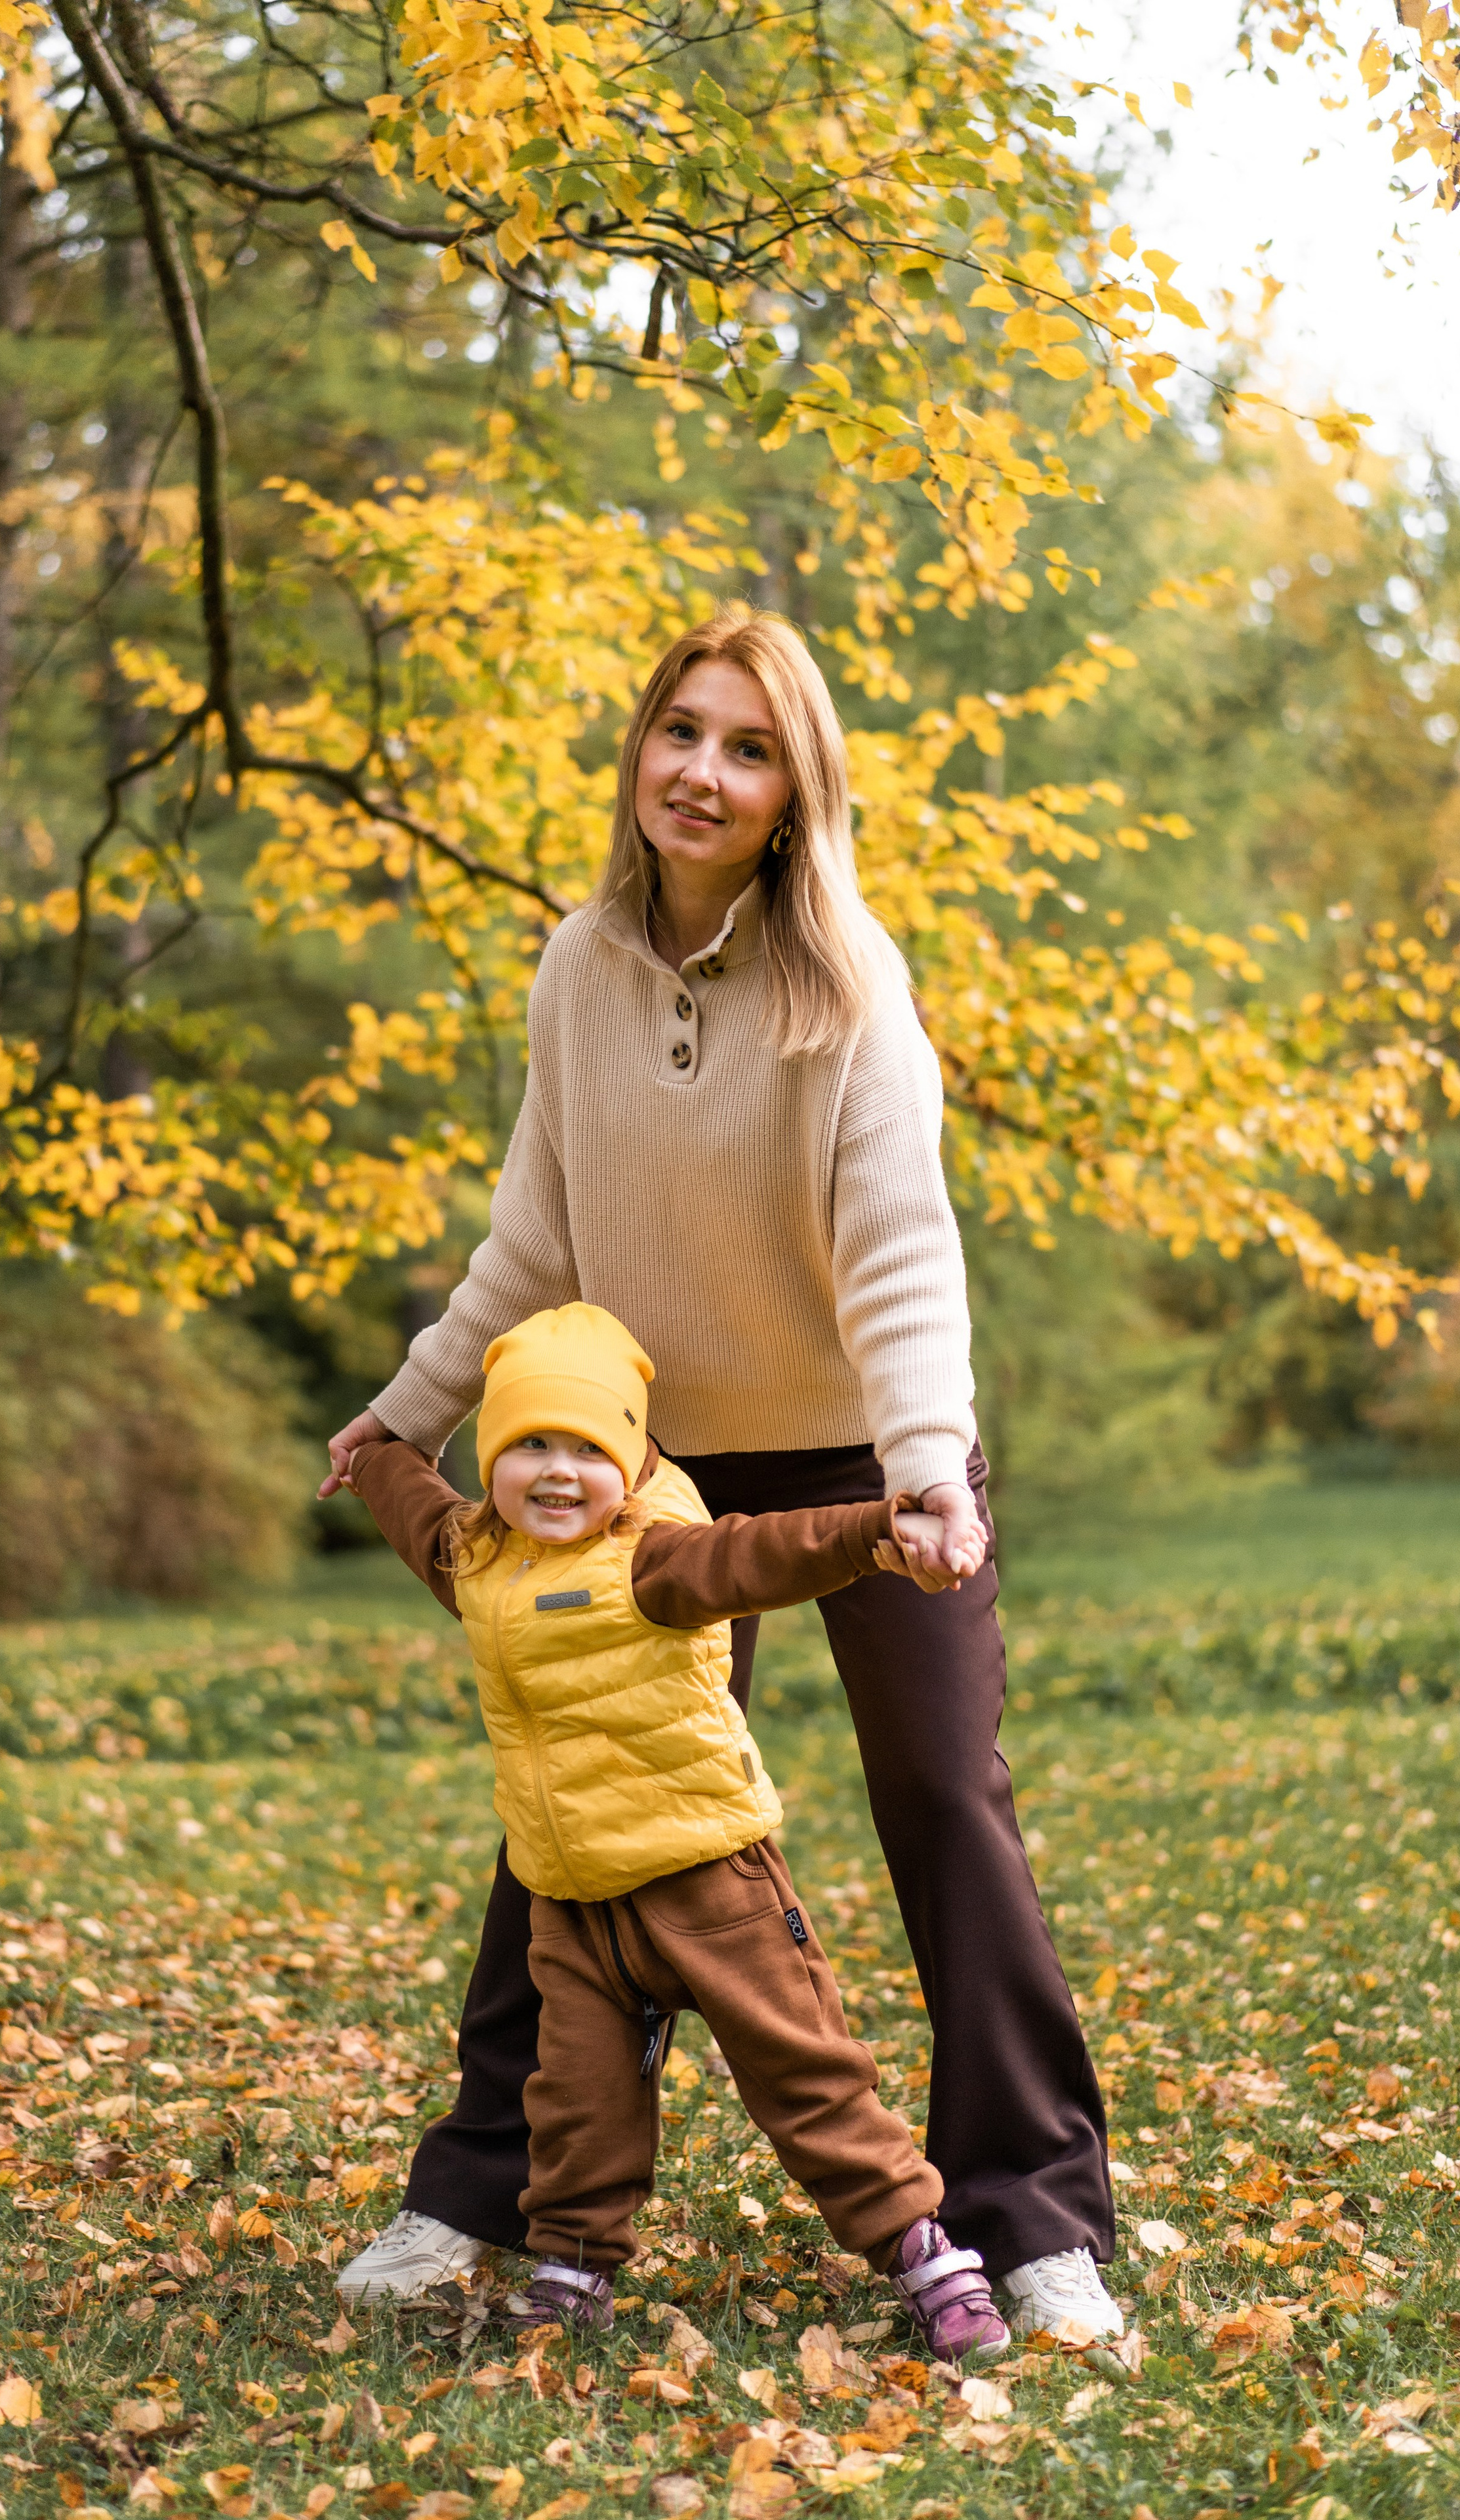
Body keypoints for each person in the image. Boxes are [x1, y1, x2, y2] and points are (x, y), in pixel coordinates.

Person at [321, 606, 1120, 2342]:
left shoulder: (847, 985)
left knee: (943, 1798)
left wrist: (927, 1481)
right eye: (683, 730)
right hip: (655, 1476)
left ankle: (1037, 2213)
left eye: (748, 748)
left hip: (869, 1455)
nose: (703, 769)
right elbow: (530, 1241)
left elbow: (903, 1257)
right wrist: (402, 1419)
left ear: (791, 794)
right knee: (589, 1801)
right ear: (641, 751)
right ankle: (479, 2193)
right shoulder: (575, 967)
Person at [344, 1300, 1010, 2359]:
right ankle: (570, 2263)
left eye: (585, 1448)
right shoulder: (479, 1563)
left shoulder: (657, 1560)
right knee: (577, 2101)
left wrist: (883, 1529)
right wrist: (377, 1447)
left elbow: (773, 1552)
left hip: (713, 1887)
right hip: (573, 1902)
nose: (557, 1472)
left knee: (808, 2081)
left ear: (629, 1457)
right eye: (526, 1446)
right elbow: (414, 1507)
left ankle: (928, 2254)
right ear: (491, 1459)